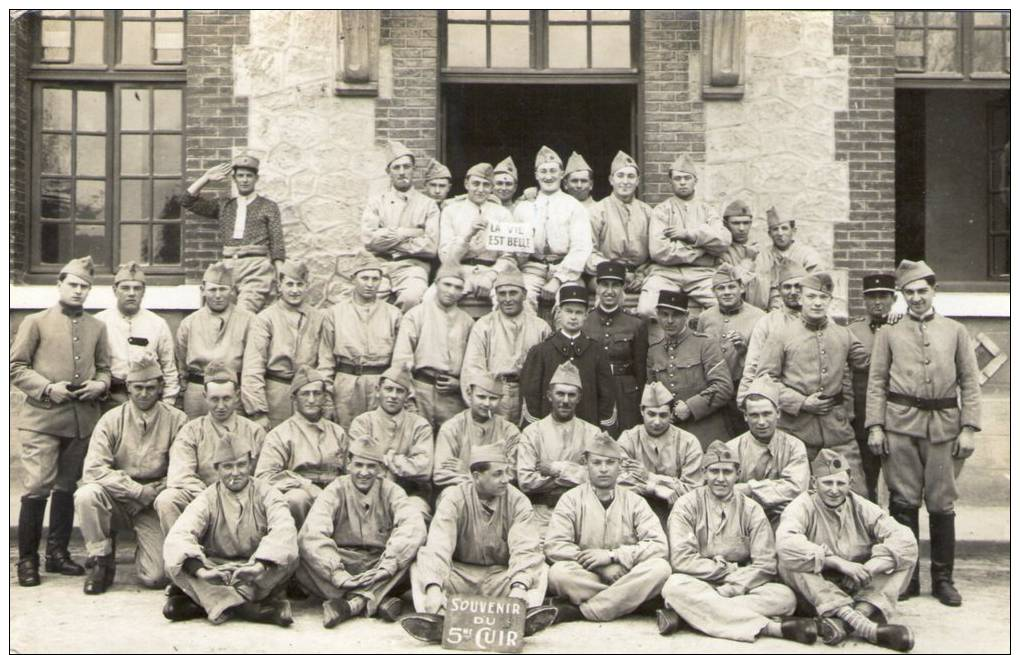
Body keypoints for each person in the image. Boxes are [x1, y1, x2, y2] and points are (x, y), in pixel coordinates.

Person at [866, 260, 981, 607]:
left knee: (942, 504)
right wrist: (875, 426)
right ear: (902, 296)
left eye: (922, 291)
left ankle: (943, 580)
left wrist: (969, 428)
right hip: (900, 426)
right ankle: (909, 578)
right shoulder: (889, 332)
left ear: (934, 291)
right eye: (909, 292)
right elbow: (877, 382)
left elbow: (970, 383)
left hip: (944, 427)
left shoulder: (956, 331)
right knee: (903, 503)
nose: (916, 298)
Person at [11, 256, 111, 586]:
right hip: (42, 418)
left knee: (67, 487)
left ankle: (57, 554)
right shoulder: (35, 322)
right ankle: (27, 561)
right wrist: (47, 388)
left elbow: (104, 368)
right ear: (59, 285)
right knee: (38, 486)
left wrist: (100, 384)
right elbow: (16, 368)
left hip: (81, 421)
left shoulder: (97, 327)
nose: (79, 291)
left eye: (85, 287)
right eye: (73, 285)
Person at [657, 441, 816, 645]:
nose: (720, 479)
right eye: (714, 471)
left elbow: (765, 563)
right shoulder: (686, 505)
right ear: (704, 473)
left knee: (784, 597)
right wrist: (723, 571)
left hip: (743, 583)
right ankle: (772, 628)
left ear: (738, 473)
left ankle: (686, 616)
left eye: (727, 472)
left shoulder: (752, 509)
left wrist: (734, 585)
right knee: (674, 587)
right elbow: (681, 559)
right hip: (700, 582)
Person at [402, 444, 556, 643]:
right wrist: (433, 588)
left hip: (500, 577)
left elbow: (525, 547)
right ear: (476, 476)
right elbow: (438, 545)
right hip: (460, 576)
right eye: (498, 474)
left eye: (507, 472)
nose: (506, 479)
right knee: (419, 569)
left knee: (540, 569)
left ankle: (519, 619)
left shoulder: (518, 501)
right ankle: (438, 621)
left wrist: (519, 586)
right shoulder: (454, 498)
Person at [776, 449, 917, 652]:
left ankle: (849, 620)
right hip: (818, 590)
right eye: (827, 483)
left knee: (903, 557)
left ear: (850, 484)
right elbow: (785, 542)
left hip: (857, 586)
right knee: (789, 559)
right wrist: (838, 563)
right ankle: (865, 626)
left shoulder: (862, 507)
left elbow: (905, 540)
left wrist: (868, 568)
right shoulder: (801, 506)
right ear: (814, 483)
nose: (834, 490)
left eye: (840, 483)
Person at [74, 353, 188, 595]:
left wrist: (150, 494)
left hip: (153, 503)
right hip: (117, 496)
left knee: (155, 577)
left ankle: (145, 548)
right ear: (128, 387)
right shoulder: (111, 419)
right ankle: (101, 560)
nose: (144, 393)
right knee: (87, 494)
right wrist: (135, 491)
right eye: (138, 387)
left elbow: (183, 470)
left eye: (150, 387)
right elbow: (94, 469)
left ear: (160, 387)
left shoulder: (177, 420)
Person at [162, 437, 298, 626]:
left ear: (250, 464)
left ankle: (204, 603)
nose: (235, 473)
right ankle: (252, 610)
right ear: (216, 468)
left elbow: (283, 531)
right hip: (218, 570)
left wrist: (257, 567)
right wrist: (202, 572)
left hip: (256, 570)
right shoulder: (207, 498)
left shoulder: (268, 493)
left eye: (241, 465)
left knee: (288, 557)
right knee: (174, 561)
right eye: (227, 467)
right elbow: (180, 534)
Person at [757, 272, 870, 494]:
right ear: (800, 298)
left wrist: (886, 326)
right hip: (795, 430)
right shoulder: (781, 334)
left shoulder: (843, 334)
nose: (817, 302)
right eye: (811, 297)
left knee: (856, 493)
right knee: (796, 496)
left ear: (830, 301)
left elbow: (867, 362)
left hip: (838, 431)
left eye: (823, 297)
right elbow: (765, 379)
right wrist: (801, 402)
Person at [296, 437, 427, 627]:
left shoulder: (392, 491)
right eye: (358, 465)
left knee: (415, 556)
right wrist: (336, 573)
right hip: (343, 562)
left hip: (379, 563)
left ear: (380, 469)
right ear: (348, 465)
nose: (364, 473)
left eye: (371, 466)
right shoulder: (336, 489)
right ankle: (379, 600)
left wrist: (388, 564)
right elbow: (312, 534)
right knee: (301, 556)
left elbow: (413, 526)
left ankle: (351, 605)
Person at [545, 433, 671, 624]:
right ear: (586, 465)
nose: (603, 469)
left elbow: (659, 546)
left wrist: (614, 556)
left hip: (625, 571)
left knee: (660, 568)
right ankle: (636, 602)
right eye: (597, 463)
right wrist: (601, 566)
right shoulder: (570, 499)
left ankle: (581, 612)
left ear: (619, 466)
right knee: (558, 574)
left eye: (610, 463)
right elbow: (555, 546)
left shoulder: (635, 502)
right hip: (589, 574)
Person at [153, 361, 266, 533]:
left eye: (226, 398)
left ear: (237, 395)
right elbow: (180, 476)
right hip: (202, 501)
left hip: (244, 502)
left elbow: (263, 477)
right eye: (214, 399)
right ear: (205, 396)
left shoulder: (254, 431)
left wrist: (238, 497)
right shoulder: (191, 431)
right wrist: (213, 498)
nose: (220, 406)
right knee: (167, 500)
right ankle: (183, 554)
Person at [178, 155, 285, 313]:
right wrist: (206, 178)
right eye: (240, 176)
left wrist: (280, 276)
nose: (244, 180)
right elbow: (186, 200)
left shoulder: (268, 206)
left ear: (256, 178)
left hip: (256, 268)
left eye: (249, 176)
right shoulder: (224, 205)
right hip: (227, 268)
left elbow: (277, 244)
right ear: (234, 179)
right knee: (222, 315)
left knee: (242, 314)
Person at [255, 367, 349, 527]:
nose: (311, 400)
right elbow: (264, 476)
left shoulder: (337, 432)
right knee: (296, 498)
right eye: (305, 394)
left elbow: (349, 471)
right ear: (294, 398)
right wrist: (306, 485)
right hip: (302, 497)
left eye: (317, 393)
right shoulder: (280, 434)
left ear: (324, 397)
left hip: (333, 494)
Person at [241, 260, 329, 430]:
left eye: (299, 284)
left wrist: (324, 401)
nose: (294, 290)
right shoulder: (265, 319)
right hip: (276, 393)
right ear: (280, 286)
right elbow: (253, 366)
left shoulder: (318, 318)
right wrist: (258, 410)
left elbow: (325, 363)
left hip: (308, 394)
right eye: (289, 284)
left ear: (307, 286)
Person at [639, 154, 731, 317]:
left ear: (695, 180)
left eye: (687, 178)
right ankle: (659, 342)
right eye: (677, 178)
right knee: (646, 309)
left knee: (727, 305)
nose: (682, 182)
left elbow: (723, 241)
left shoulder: (708, 210)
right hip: (666, 273)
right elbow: (659, 251)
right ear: (670, 182)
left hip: (702, 274)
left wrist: (690, 235)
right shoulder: (661, 210)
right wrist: (702, 250)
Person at [517, 362, 603, 531]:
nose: (565, 401)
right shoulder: (532, 432)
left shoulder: (593, 433)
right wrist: (576, 475)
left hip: (582, 512)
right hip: (542, 513)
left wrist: (556, 469)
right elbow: (526, 481)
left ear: (579, 397)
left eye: (571, 395)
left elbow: (599, 477)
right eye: (560, 394)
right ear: (549, 395)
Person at [319, 254, 402, 430]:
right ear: (353, 279)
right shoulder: (334, 313)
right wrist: (327, 396)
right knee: (345, 437)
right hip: (346, 384)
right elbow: (326, 359)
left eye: (375, 279)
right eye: (364, 278)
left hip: (380, 385)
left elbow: (399, 360)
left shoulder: (393, 314)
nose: (370, 284)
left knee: (380, 436)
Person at [520, 285, 617, 432]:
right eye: (568, 311)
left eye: (579, 312)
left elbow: (606, 396)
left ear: (586, 315)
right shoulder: (541, 352)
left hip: (587, 428)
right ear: (559, 313)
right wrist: (536, 433)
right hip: (549, 432)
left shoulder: (597, 352)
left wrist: (604, 432)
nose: (573, 317)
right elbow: (531, 397)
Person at [461, 270, 551, 425]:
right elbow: (473, 369)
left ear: (524, 295)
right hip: (494, 394)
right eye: (502, 294)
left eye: (513, 293)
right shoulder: (484, 325)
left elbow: (549, 370)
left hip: (528, 395)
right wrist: (482, 404)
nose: (507, 299)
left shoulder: (540, 327)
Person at [647, 290, 733, 448]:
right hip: (669, 435)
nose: (670, 320)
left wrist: (691, 407)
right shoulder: (654, 351)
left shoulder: (705, 344)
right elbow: (651, 394)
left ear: (686, 316)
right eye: (664, 315)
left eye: (676, 315)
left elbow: (724, 387)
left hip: (706, 432)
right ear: (657, 316)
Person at [361, 140, 440, 312]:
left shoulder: (428, 205)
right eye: (396, 168)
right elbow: (369, 239)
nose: (402, 172)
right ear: (388, 172)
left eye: (407, 167)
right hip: (380, 265)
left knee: (411, 297)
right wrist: (407, 233)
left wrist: (387, 239)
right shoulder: (376, 203)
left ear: (414, 169)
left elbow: (431, 246)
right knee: (368, 299)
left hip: (413, 267)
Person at [392, 265, 474, 430]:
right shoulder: (416, 315)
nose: (451, 291)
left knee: (452, 445)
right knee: (418, 442)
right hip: (422, 391)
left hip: (452, 397)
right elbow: (402, 360)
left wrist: (460, 384)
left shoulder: (467, 322)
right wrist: (410, 398)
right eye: (447, 284)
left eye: (458, 287)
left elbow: (472, 362)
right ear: (436, 284)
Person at [347, 366, 434, 519]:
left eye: (399, 391)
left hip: (409, 493)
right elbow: (358, 463)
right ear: (378, 390)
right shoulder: (362, 422)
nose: (393, 396)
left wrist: (388, 459)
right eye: (388, 389)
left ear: (407, 395)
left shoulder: (420, 425)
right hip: (367, 492)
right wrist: (401, 462)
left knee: (416, 513)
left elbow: (424, 468)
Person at [514, 145, 593, 309]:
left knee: (569, 304)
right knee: (521, 299)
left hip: (566, 270)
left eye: (553, 171)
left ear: (562, 174)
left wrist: (558, 279)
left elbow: (581, 247)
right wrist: (520, 253)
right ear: (536, 175)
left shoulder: (574, 206)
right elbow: (515, 248)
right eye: (543, 172)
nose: (548, 176)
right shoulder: (524, 207)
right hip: (532, 269)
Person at [617, 382, 703, 526]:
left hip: (678, 513)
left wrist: (650, 477)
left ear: (671, 414)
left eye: (663, 415)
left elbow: (692, 489)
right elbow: (618, 481)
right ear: (642, 411)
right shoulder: (628, 439)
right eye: (651, 414)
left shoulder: (688, 442)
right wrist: (654, 488)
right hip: (634, 513)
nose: (657, 422)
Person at [96, 261, 179, 410]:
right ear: (115, 290)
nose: (131, 293)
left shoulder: (157, 324)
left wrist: (168, 404)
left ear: (144, 291)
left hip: (148, 398)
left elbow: (169, 368)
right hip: (110, 397)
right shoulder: (100, 322)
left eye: (137, 288)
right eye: (125, 288)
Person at [175, 262, 254, 419]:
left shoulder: (249, 321)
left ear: (231, 290)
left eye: (223, 289)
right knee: (196, 437)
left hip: (231, 392)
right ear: (203, 290)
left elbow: (253, 363)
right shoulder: (189, 323)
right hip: (197, 392)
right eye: (212, 290)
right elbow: (180, 362)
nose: (218, 295)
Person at [728, 377, 810, 527]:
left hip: (785, 519)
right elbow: (726, 492)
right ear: (745, 416)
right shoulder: (731, 449)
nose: (761, 422)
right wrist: (772, 499)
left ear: (778, 413)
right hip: (742, 521)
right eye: (754, 415)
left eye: (766, 414)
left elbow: (796, 488)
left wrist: (749, 488)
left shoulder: (794, 446)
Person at [696, 263, 766, 435]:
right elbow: (698, 351)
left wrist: (744, 349)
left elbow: (765, 361)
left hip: (742, 389)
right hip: (711, 389)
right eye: (721, 288)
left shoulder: (760, 317)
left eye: (731, 287)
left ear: (741, 288)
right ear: (713, 292)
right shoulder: (705, 317)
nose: (726, 292)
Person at [581, 261, 649, 432]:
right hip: (593, 387)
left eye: (615, 285)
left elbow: (641, 370)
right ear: (597, 287)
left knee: (625, 435)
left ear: (622, 289)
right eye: (604, 285)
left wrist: (640, 400)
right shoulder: (585, 322)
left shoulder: (635, 324)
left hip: (624, 391)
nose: (609, 291)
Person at [848, 273, 897, 502]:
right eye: (872, 297)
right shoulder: (852, 331)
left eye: (884, 296)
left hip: (898, 411)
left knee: (898, 477)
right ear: (864, 300)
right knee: (867, 473)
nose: (878, 302)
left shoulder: (903, 327)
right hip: (863, 413)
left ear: (894, 298)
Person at [437, 162, 518, 300]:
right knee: (431, 298)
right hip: (458, 271)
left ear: (492, 188)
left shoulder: (503, 214)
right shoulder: (450, 211)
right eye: (476, 184)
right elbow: (446, 258)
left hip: (492, 272)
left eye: (486, 185)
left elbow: (508, 257)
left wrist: (490, 276)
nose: (480, 189)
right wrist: (468, 235)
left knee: (508, 299)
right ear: (466, 184)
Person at [432, 373, 522, 491]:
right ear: (470, 394)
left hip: (497, 494)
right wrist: (491, 476)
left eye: (493, 398)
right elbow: (441, 474)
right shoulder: (452, 427)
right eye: (481, 397)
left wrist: (469, 469)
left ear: (500, 399)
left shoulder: (509, 431)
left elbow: (512, 473)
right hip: (460, 491)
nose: (486, 404)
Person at [586, 152, 653, 301]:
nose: (625, 181)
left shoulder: (648, 212)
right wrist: (618, 272)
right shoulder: (597, 211)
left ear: (637, 181)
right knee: (611, 295)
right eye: (620, 176)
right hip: (604, 275)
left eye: (631, 177)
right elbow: (588, 253)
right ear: (611, 180)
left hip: (639, 277)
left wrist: (642, 276)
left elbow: (655, 254)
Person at [737, 261, 806, 404]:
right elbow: (753, 365)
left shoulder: (824, 321)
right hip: (779, 402)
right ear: (779, 290)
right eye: (787, 287)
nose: (793, 292)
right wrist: (743, 400)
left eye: (798, 286)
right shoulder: (767, 323)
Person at [756, 207, 823, 310]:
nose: (780, 233)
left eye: (784, 228)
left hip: (801, 311)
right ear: (769, 233)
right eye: (775, 229)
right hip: (769, 313)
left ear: (793, 230)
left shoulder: (808, 255)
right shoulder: (762, 256)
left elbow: (816, 287)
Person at [718, 200, 770, 309]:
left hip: (763, 316)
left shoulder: (763, 250)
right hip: (736, 314)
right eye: (736, 223)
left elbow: (774, 285)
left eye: (746, 223)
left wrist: (774, 311)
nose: (742, 228)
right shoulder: (720, 252)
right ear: (725, 224)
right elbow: (730, 287)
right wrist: (748, 260)